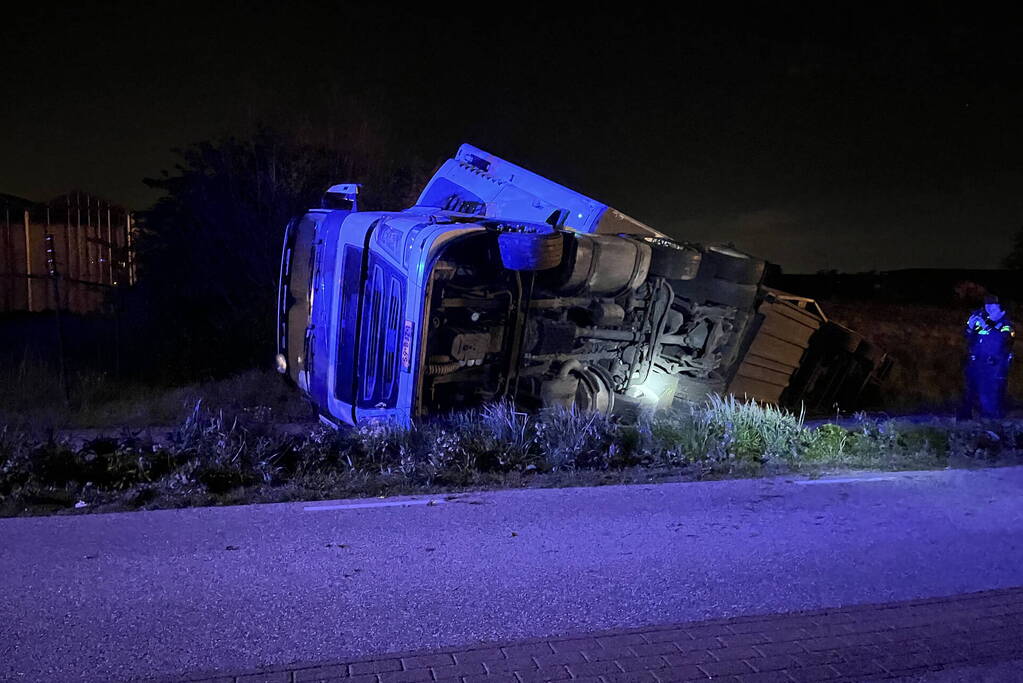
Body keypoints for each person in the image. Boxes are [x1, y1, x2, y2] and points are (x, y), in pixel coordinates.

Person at [961, 295, 1014, 419]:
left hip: (994, 366)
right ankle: (969, 421)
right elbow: (969, 339)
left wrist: (987, 326)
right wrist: (970, 327)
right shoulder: (983, 321)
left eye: (993, 306)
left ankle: (993, 423)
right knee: (971, 393)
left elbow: (1004, 340)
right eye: (987, 305)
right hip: (976, 364)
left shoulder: (1006, 324)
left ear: (1002, 309)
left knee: (991, 395)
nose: (989, 308)